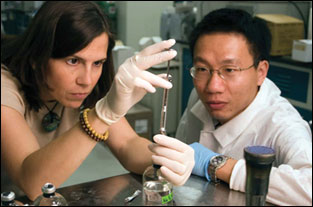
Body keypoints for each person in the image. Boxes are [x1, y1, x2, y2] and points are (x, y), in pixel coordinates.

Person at [1, 1, 194, 201]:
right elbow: (33, 182)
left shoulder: (83, 88)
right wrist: (102, 115)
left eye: (97, 63)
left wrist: (164, 162)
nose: (86, 80)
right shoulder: (5, 86)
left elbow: (127, 144)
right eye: (73, 61)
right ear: (36, 56)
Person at [175, 8, 312, 206]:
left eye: (229, 69)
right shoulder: (197, 95)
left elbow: (308, 187)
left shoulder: (282, 124)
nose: (213, 87)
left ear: (261, 72)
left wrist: (217, 164)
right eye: (203, 69)